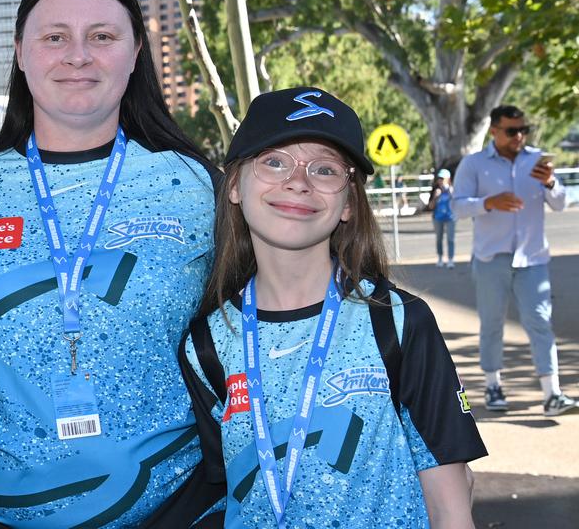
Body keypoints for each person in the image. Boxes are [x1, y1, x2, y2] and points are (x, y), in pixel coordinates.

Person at [0, 0, 221, 527]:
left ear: (136, 52)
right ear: (20, 53)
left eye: (102, 36)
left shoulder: (195, 185)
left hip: (177, 510)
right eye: (54, 36)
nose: (77, 55)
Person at [180, 86, 486, 528]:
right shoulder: (206, 341)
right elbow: (220, 491)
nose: (298, 181)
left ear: (348, 203)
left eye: (324, 169)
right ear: (233, 186)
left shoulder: (397, 321)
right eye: (274, 161)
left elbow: (451, 501)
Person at [452, 104, 574, 416]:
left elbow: (561, 203)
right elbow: (458, 207)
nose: (519, 136)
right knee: (492, 323)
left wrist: (550, 183)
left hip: (532, 258)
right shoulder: (474, 164)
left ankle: (552, 393)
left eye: (523, 129)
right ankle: (493, 385)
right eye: (511, 130)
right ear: (494, 131)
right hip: (491, 257)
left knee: (540, 322)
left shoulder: (537, 161)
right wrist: (488, 203)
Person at [427, 168, 457, 268]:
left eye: (442, 178)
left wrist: (451, 194)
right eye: (439, 178)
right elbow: (430, 207)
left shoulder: (452, 189)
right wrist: (435, 197)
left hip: (451, 218)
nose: (440, 180)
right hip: (438, 218)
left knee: (450, 239)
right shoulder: (435, 190)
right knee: (439, 239)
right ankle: (440, 258)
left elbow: (458, 204)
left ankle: (450, 260)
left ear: (448, 179)